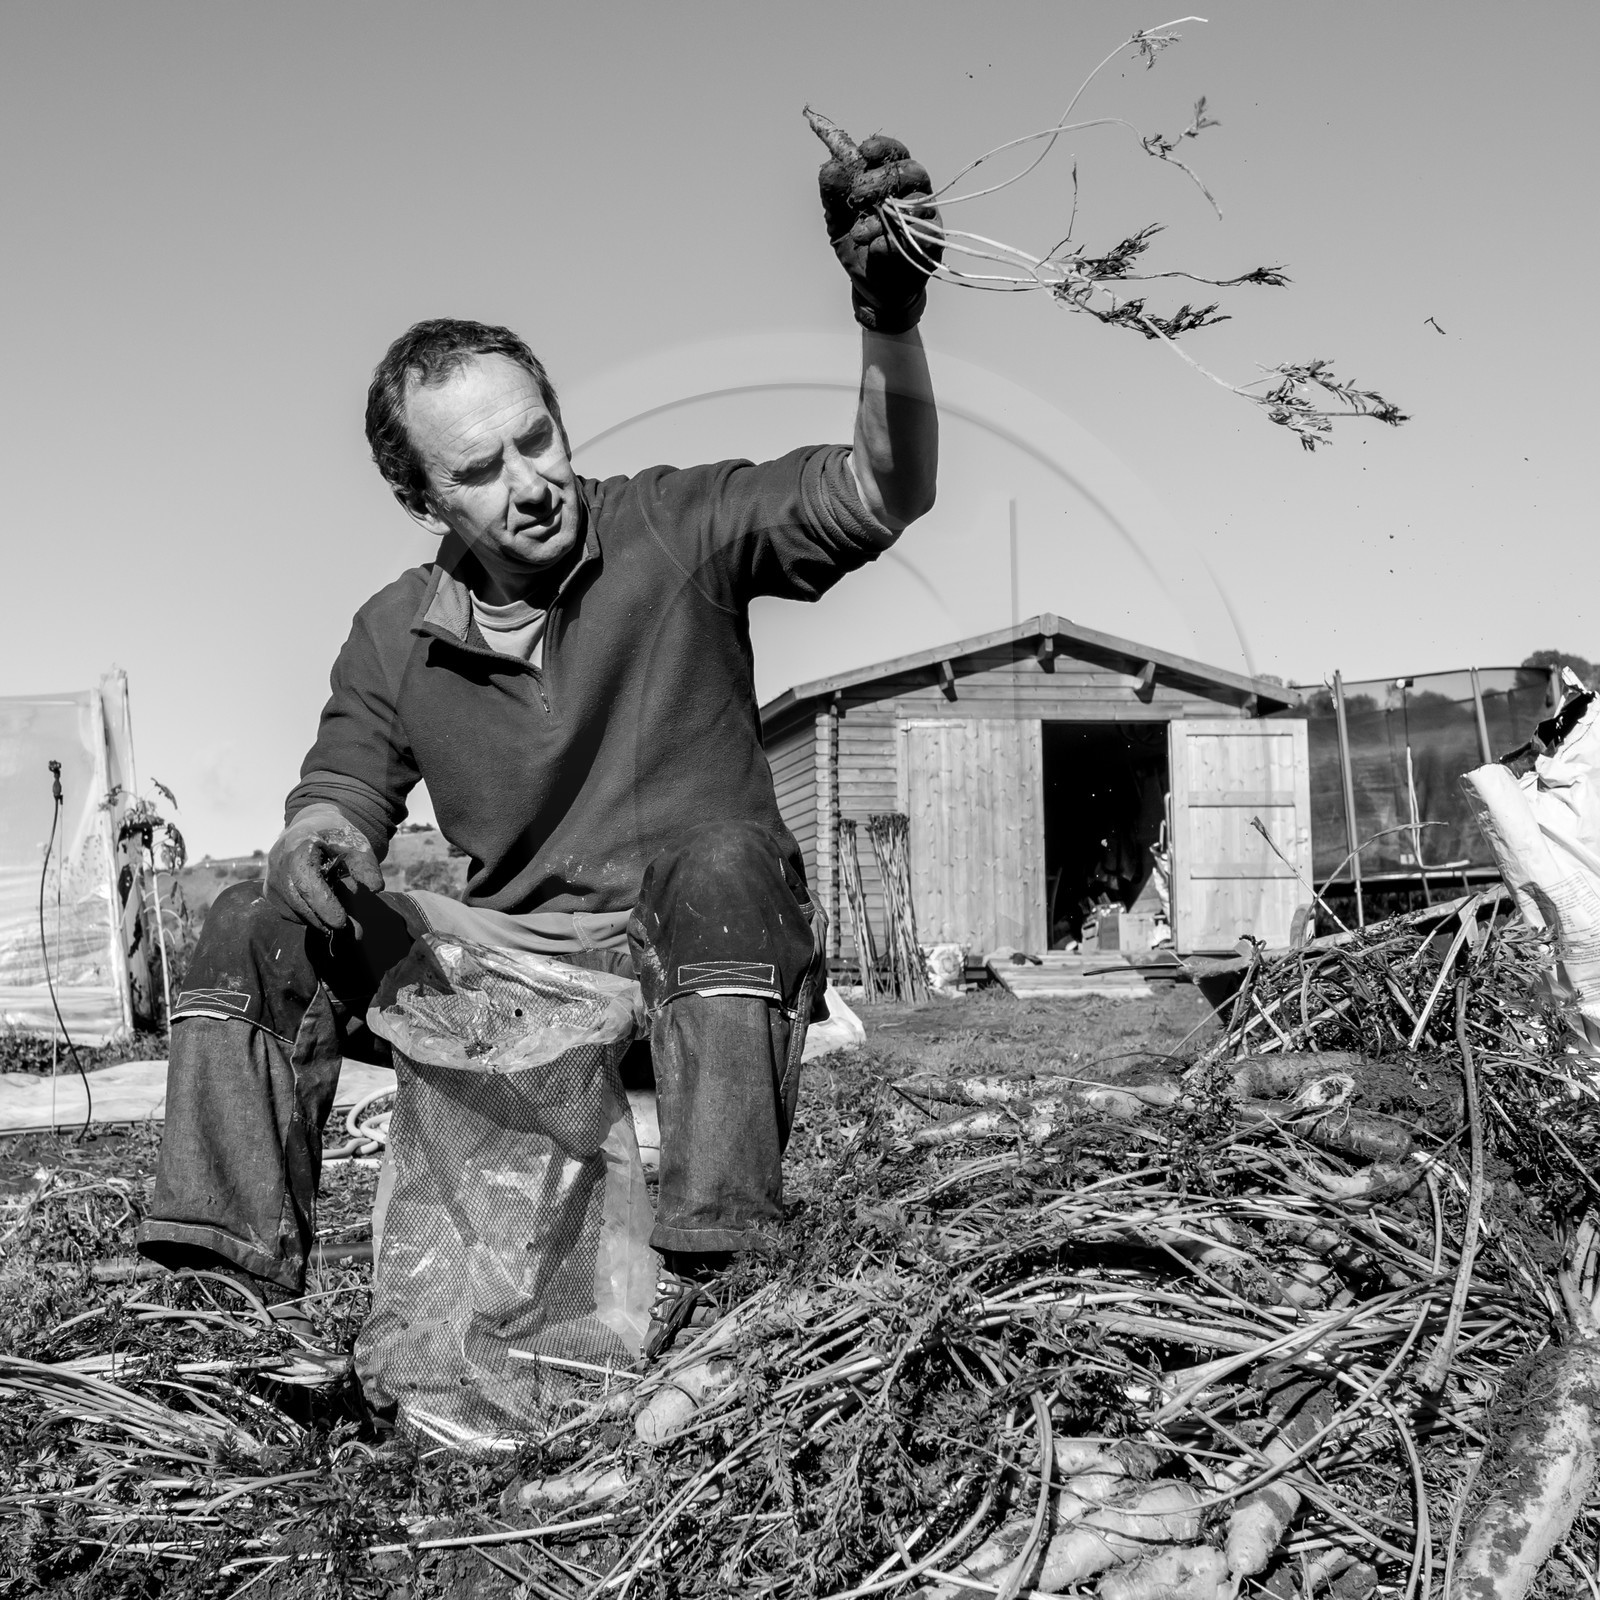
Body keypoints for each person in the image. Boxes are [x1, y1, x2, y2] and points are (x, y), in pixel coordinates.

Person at [136, 133, 942, 1353]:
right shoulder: (392, 632)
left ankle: (730, 1286)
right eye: (480, 468)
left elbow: (885, 489)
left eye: (537, 438)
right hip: (502, 980)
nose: (529, 481)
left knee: (723, 854)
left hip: (686, 964)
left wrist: (887, 313)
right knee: (250, 923)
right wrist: (317, 849)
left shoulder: (679, 528)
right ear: (423, 499)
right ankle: (224, 1306)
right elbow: (338, 799)